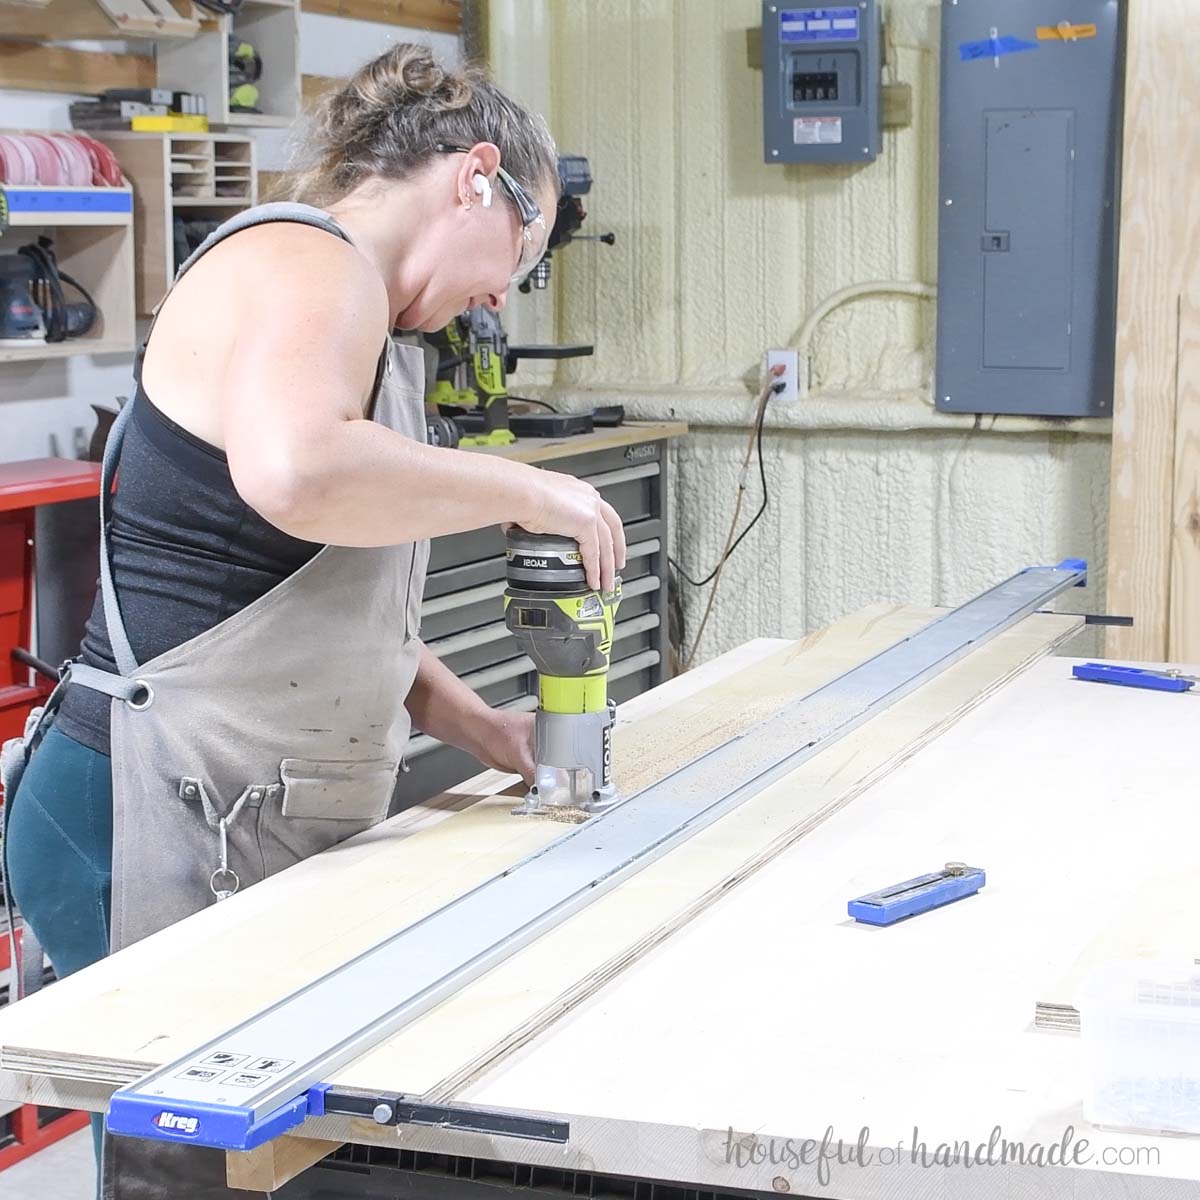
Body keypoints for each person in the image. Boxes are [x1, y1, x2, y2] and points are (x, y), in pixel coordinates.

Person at [0, 43, 625, 1200]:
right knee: (187, 1163)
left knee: (250, 1153)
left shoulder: (369, 324)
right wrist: (534, 490)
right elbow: (297, 475)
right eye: (516, 263)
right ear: (474, 177)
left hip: (219, 798)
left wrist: (483, 726)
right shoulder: (306, 256)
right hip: (141, 805)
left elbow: (325, 595)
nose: (499, 296)